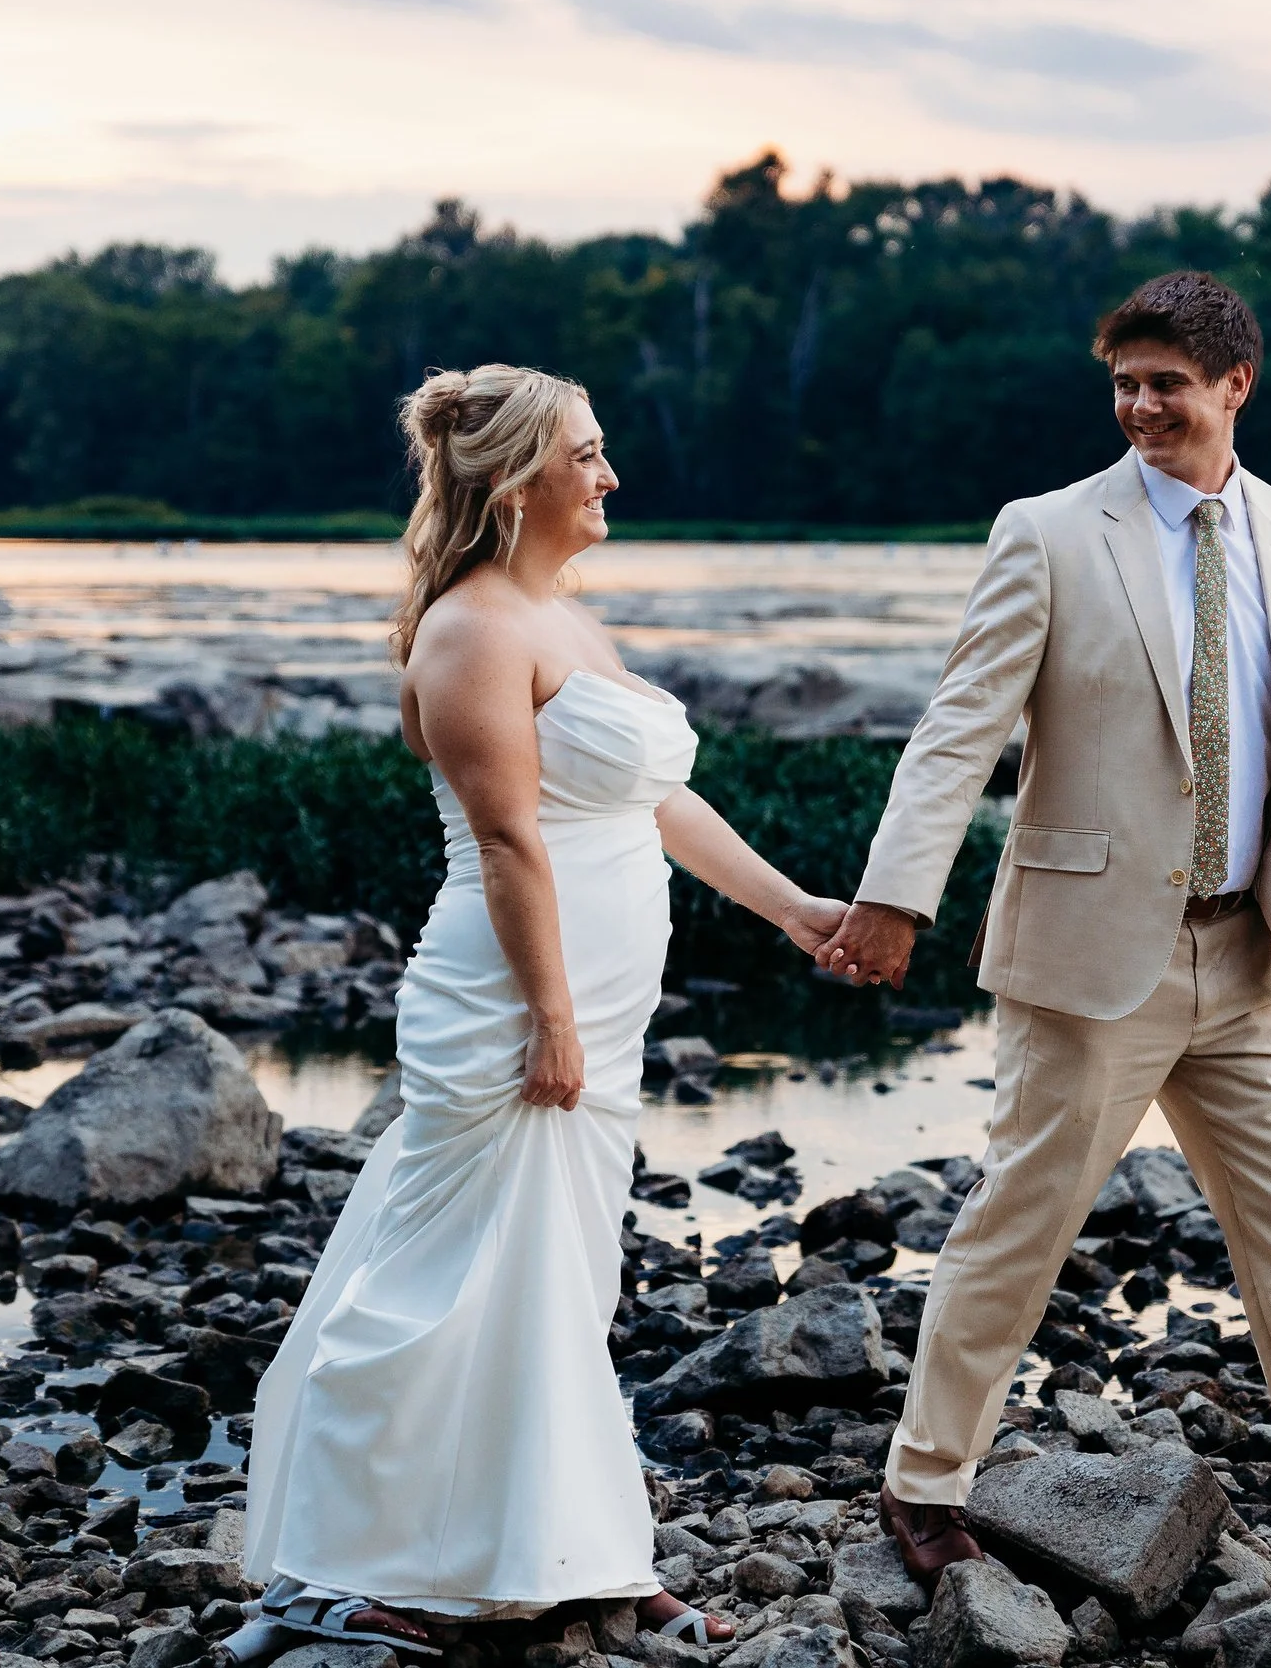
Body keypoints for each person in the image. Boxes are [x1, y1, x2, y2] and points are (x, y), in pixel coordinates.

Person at [815, 272, 1271, 1573]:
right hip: (1094, 956)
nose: (1140, 407)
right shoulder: (1048, 531)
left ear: (1234, 388)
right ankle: (922, 1487)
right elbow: (957, 727)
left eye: (1167, 386)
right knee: (1020, 1222)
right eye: (1124, 385)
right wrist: (893, 895)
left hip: (1244, 947)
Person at [239, 363, 850, 1655]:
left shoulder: (566, 620)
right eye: (587, 456)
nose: (610, 476)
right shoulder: (470, 633)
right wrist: (553, 1018)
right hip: (509, 1004)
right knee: (445, 1276)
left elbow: (654, 803)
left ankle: (572, 1554)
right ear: (516, 484)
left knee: (558, 1279)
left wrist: (793, 908)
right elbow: (513, 843)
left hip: (596, 1015)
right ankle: (375, 1560)